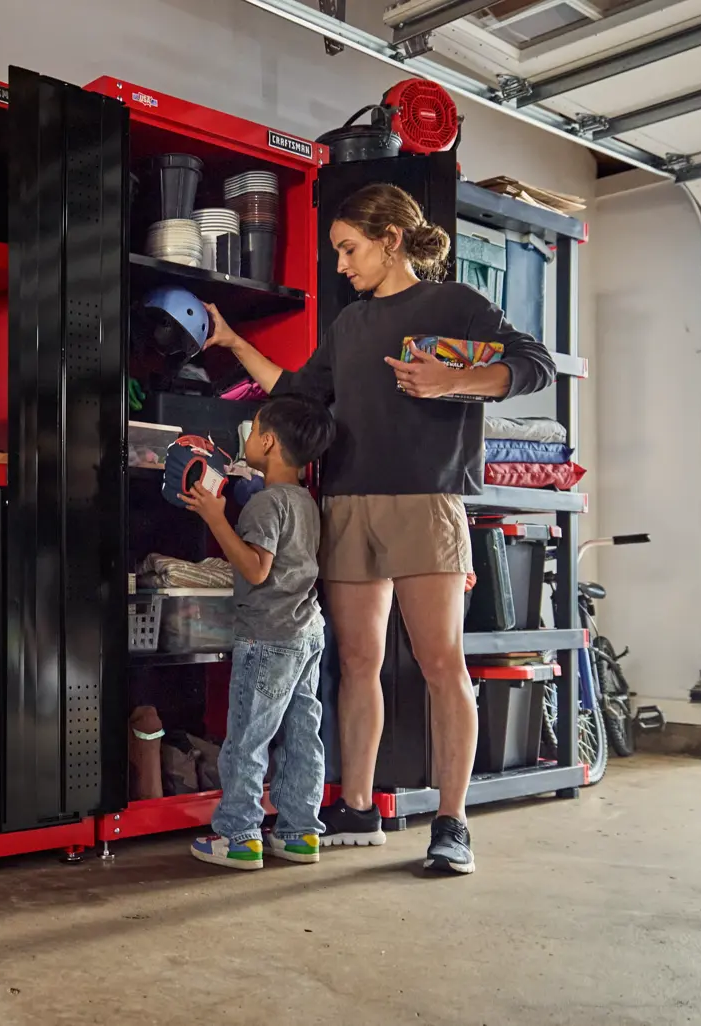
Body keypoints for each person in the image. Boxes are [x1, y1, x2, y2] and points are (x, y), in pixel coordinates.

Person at [201, 182, 555, 875]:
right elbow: (299, 391)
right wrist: (233, 341)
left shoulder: (455, 304)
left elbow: (534, 365)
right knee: (357, 662)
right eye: (338, 252)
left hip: (428, 500)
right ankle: (358, 805)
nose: (341, 265)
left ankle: (452, 824)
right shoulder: (353, 325)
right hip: (347, 505)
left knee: (440, 665)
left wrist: (458, 381)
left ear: (391, 238)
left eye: (349, 249)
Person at [184, 395, 336, 871]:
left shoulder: (266, 505)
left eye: (252, 433)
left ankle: (240, 835)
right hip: (306, 633)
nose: (246, 439)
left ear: (268, 442)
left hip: (266, 638)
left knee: (248, 737)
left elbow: (254, 568)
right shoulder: (305, 501)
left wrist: (215, 517)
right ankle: (298, 834)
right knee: (301, 735)